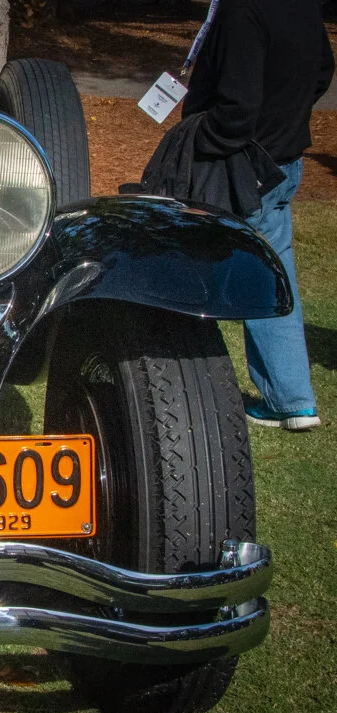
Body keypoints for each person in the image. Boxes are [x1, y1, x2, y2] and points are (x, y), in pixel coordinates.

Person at [181, 0, 334, 431]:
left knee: (196, 261)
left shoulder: (242, 11)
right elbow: (324, 67)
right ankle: (293, 400)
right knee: (274, 266)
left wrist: (194, 141)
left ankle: (181, 377)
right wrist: (287, 119)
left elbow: (237, 111)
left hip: (245, 165)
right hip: (285, 160)